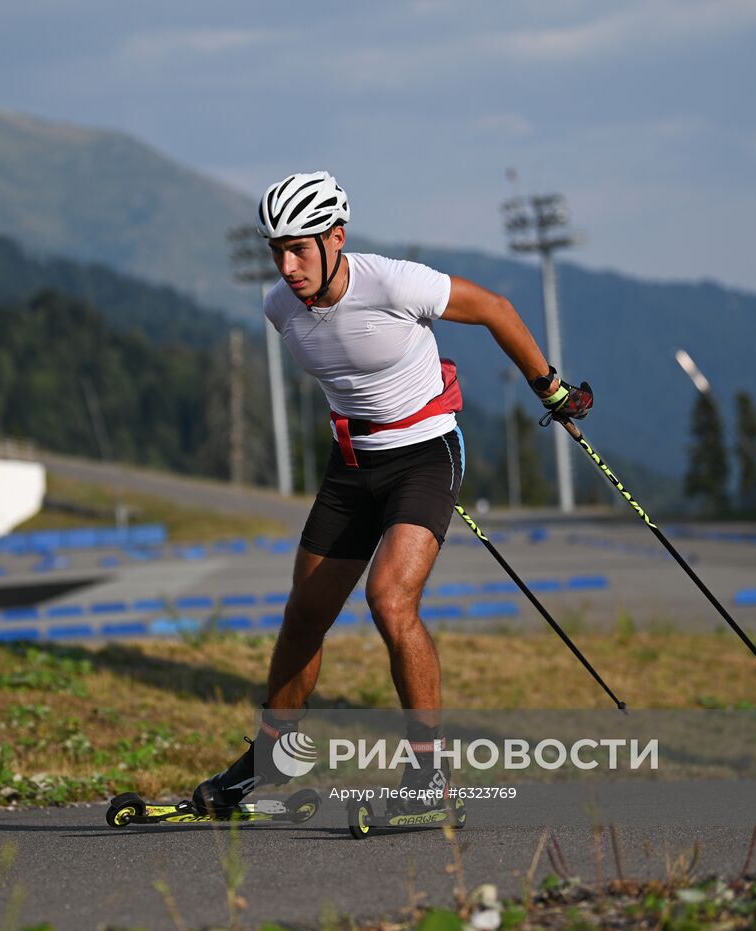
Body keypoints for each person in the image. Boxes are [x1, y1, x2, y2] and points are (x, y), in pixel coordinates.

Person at [193, 171, 593, 814]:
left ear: (336, 238)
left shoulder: (393, 282)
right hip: (352, 467)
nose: (286, 266)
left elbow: (494, 308)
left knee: (389, 600)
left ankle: (428, 776)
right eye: (276, 250)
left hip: (425, 458)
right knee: (304, 616)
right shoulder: (278, 306)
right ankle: (269, 761)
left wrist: (551, 389)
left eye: (299, 248)